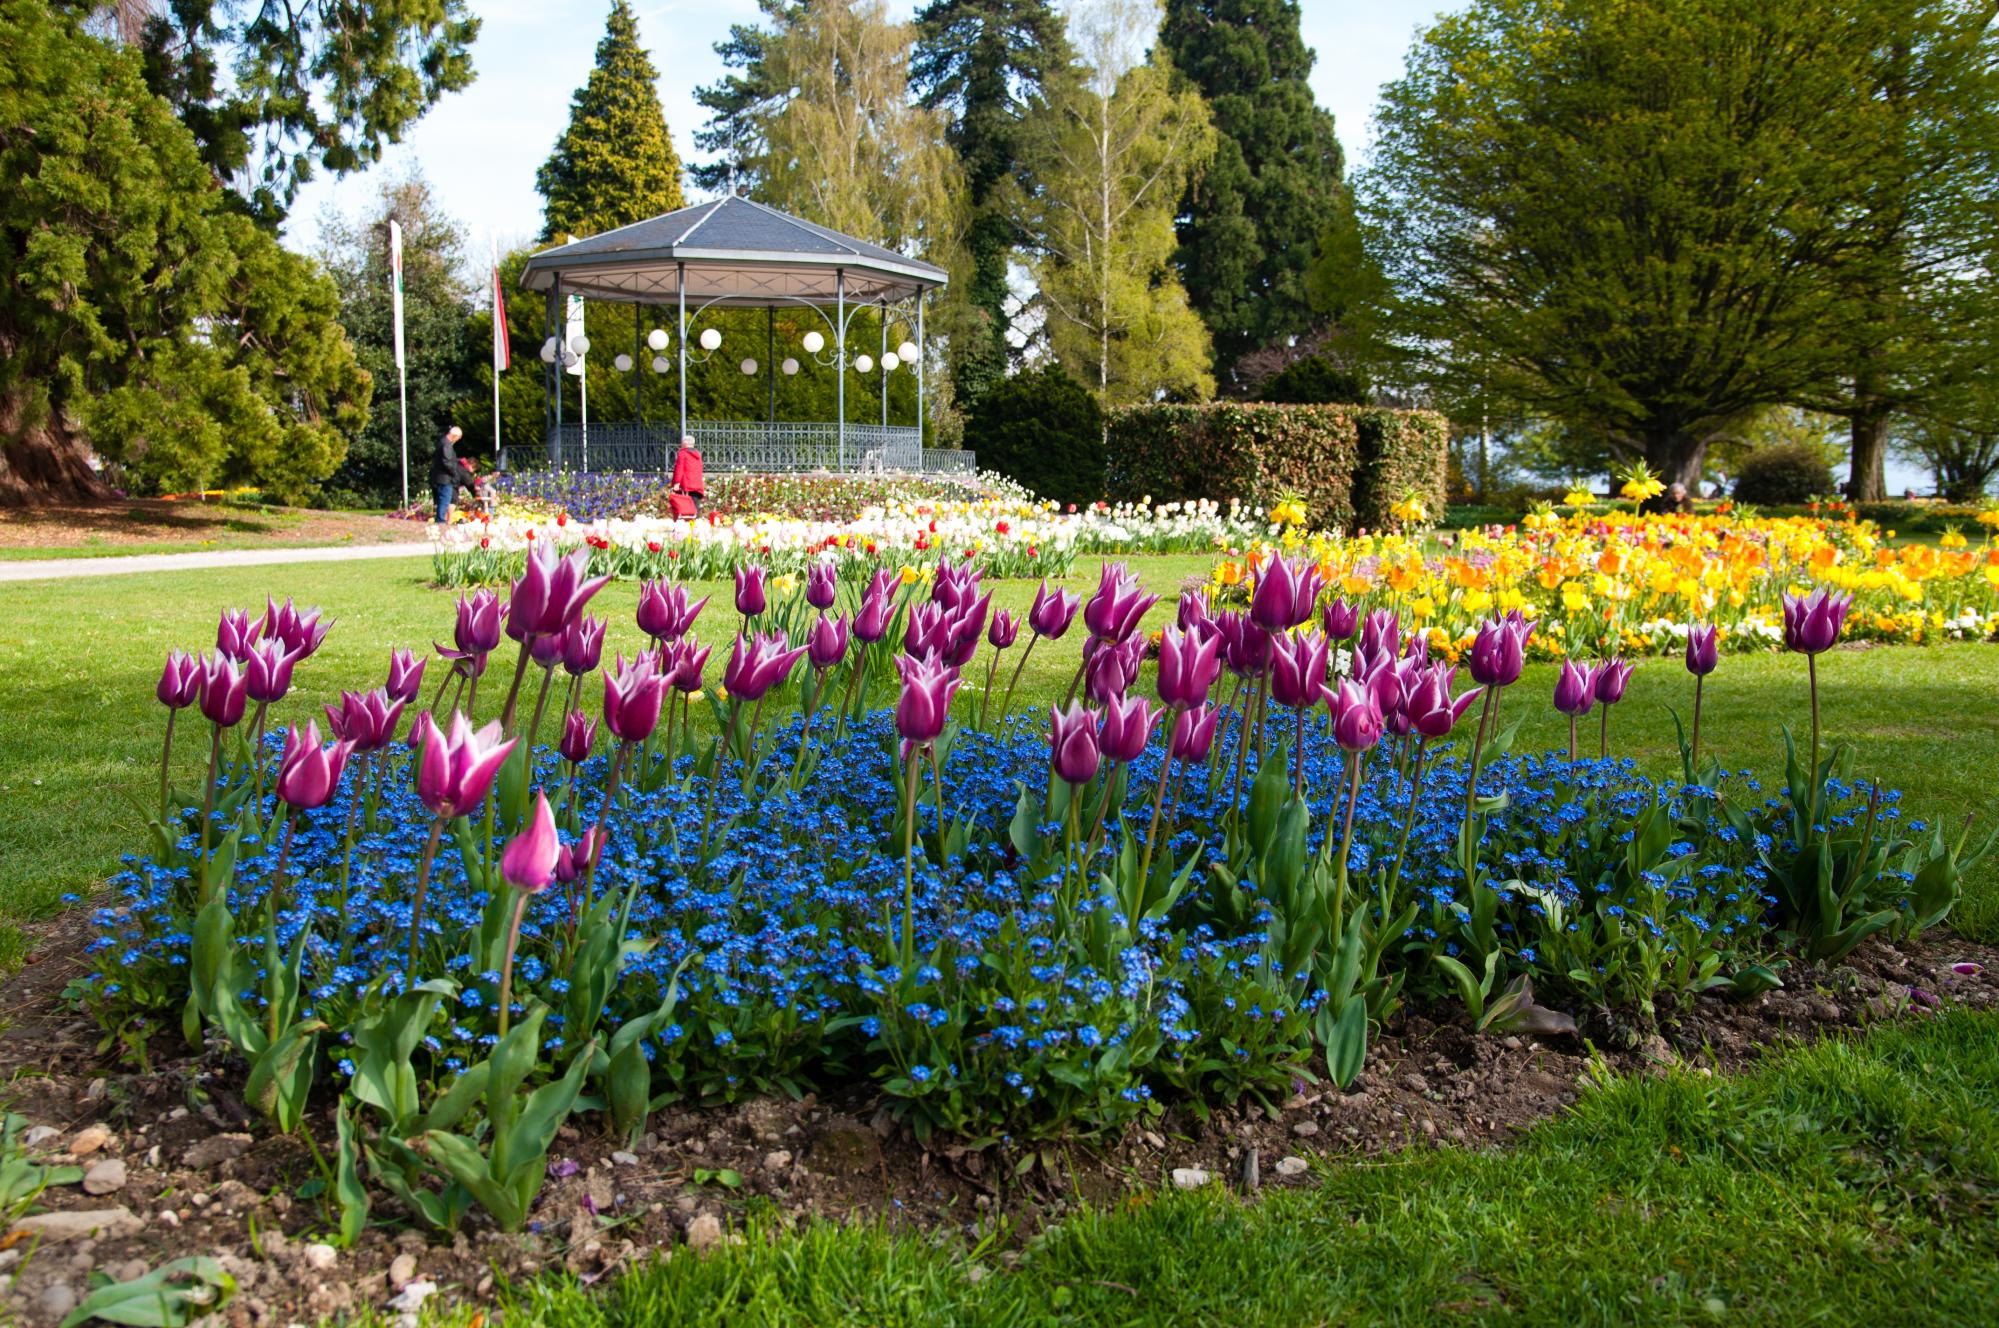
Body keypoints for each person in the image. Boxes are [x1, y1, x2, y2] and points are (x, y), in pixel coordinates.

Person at [431, 425, 463, 523]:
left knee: (442, 500)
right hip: (445, 478)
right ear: (454, 436)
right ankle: (440, 521)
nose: (456, 441)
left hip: (440, 476)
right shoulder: (446, 445)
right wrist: (454, 473)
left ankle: (440, 520)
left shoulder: (441, 442)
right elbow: (447, 462)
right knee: (444, 500)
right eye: (457, 438)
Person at [668, 436, 705, 519]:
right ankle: (695, 525)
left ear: (685, 443)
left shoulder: (683, 453)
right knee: (695, 507)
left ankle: (685, 526)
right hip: (697, 485)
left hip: (686, 485)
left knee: (685, 507)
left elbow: (679, 469)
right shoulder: (697, 454)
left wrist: (676, 483)